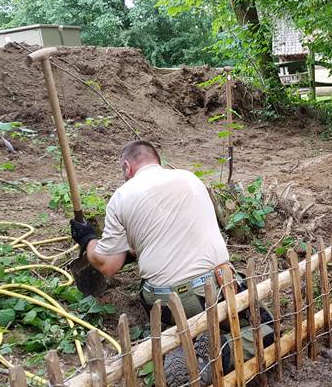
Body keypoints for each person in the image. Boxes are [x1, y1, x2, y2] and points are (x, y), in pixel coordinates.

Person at [69, 140, 271, 358]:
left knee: (246, 321)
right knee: (267, 331)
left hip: (165, 303)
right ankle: (220, 350)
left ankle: (208, 353)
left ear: (127, 167)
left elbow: (109, 266)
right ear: (158, 161)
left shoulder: (121, 197)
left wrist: (88, 238)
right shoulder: (190, 178)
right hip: (216, 285)